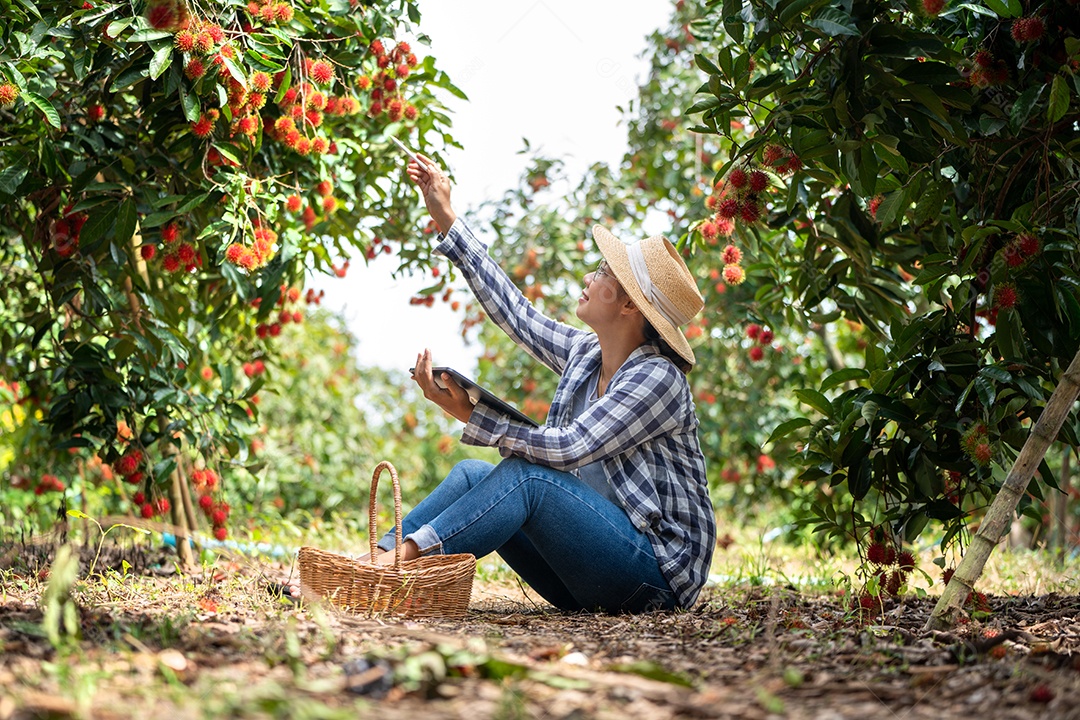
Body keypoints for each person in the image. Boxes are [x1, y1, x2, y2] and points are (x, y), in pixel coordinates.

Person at [294, 154, 716, 612]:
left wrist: (475, 418)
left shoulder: (658, 377)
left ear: (631, 306)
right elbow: (516, 314)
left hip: (654, 578)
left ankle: (390, 571)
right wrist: (447, 219)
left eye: (602, 273)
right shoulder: (586, 354)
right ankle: (365, 565)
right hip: (587, 575)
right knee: (473, 474)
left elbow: (568, 448)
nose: (588, 278)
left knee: (527, 477)